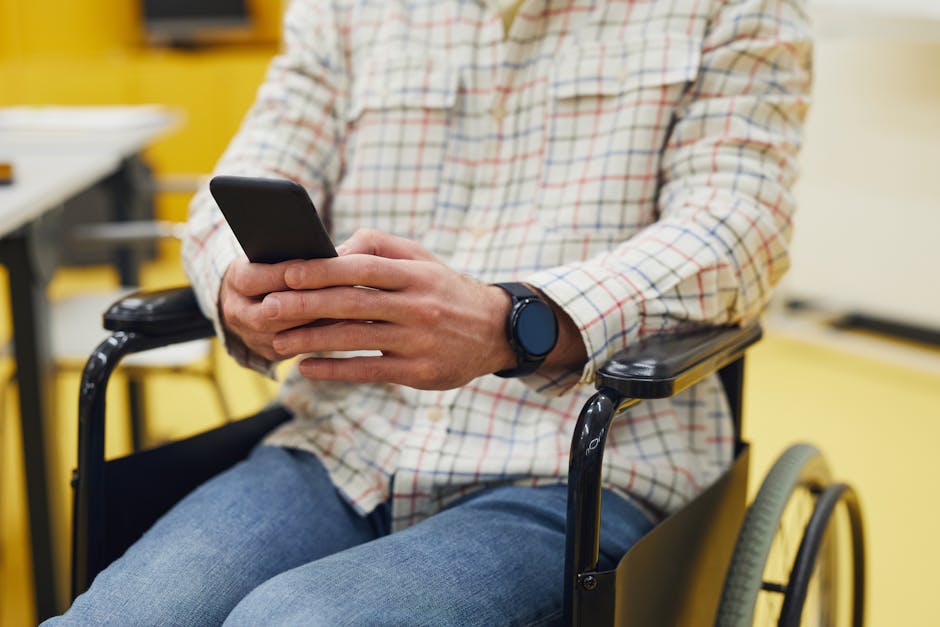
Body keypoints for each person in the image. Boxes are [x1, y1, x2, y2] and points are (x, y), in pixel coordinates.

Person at [48, 0, 811, 624]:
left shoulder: (730, 10)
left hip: (576, 471)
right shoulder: (348, 12)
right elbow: (245, 176)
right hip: (342, 445)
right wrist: (233, 283)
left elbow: (735, 229)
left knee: (295, 621)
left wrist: (512, 320)